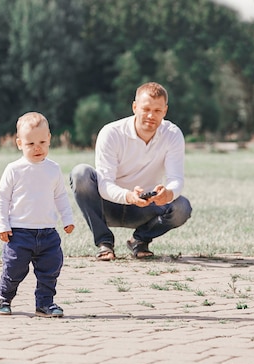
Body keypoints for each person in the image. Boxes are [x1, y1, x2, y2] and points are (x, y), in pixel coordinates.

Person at [70, 82, 191, 261]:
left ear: (165, 111)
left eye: (157, 111)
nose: (151, 115)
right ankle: (104, 243)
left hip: (146, 207)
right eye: (146, 108)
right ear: (135, 107)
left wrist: (169, 193)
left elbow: (176, 179)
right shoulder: (111, 133)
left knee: (182, 207)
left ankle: (139, 240)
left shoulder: (173, 134)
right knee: (80, 173)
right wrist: (128, 196)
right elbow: (104, 185)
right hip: (107, 205)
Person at [0, 112, 75, 317]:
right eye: (30, 143)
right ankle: (4, 297)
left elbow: (61, 197)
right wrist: (2, 225)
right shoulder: (14, 169)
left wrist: (68, 219)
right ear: (19, 143)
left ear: (49, 139)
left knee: (50, 269)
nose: (37, 147)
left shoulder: (53, 169)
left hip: (47, 233)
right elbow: (2, 199)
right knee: (14, 269)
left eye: (41, 141)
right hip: (19, 234)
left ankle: (45, 303)